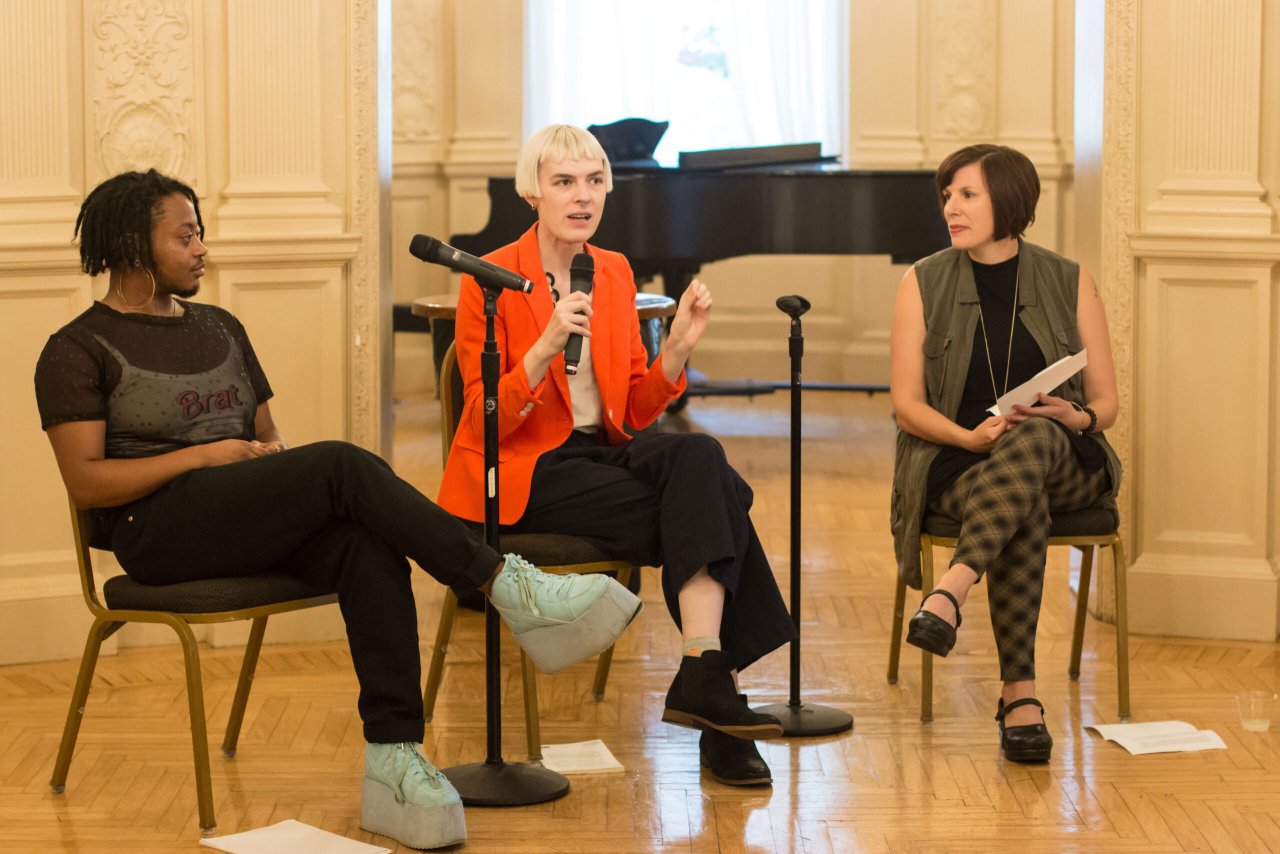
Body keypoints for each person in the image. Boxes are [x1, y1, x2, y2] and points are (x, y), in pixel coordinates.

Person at [34, 169, 642, 850]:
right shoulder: (77, 348)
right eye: (185, 236)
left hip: (237, 511)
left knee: (365, 542)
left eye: (200, 231)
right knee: (340, 463)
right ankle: (505, 583)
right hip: (155, 534)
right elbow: (86, 483)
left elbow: (268, 438)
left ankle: (394, 758)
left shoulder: (221, 327)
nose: (202, 247)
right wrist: (204, 458)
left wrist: (259, 464)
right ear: (130, 245)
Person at [437, 124, 796, 787]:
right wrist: (542, 349)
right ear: (533, 192)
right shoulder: (489, 279)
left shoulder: (613, 270)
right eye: (565, 182)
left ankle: (704, 673)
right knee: (718, 503)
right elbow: (483, 417)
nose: (583, 197)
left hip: (598, 457)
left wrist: (678, 350)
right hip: (522, 471)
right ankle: (717, 704)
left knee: (700, 462)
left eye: (595, 182)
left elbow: (632, 410)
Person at [888, 144, 1123, 763]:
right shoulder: (922, 281)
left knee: (1038, 434)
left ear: (1009, 202)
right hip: (958, 462)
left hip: (1065, 457)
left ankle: (951, 591)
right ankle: (1020, 696)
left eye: (968, 195)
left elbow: (1105, 403)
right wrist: (969, 438)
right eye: (947, 196)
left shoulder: (1069, 278)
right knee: (1024, 504)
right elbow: (907, 405)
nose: (951, 208)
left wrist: (1076, 416)